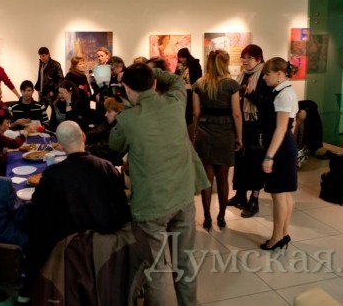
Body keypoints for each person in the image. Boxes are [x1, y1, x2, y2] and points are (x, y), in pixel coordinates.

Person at [109, 63, 209, 306]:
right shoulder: (175, 102)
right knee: (184, 261)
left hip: (151, 205)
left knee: (153, 269)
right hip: (183, 196)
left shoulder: (128, 119)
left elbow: (114, 145)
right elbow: (176, 81)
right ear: (154, 83)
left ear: (126, 88)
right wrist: (152, 72)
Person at [28, 121, 131, 289]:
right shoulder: (105, 166)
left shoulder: (51, 175)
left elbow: (38, 210)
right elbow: (121, 208)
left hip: (67, 245)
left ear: (61, 146)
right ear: (83, 136)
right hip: (105, 241)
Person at [190, 49, 242, 231]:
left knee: (207, 178)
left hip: (205, 132)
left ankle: (207, 217)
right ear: (224, 64)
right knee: (223, 178)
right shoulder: (232, 85)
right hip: (225, 132)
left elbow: (196, 113)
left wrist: (195, 134)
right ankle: (221, 216)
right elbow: (236, 114)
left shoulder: (199, 84)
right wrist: (239, 136)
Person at [259, 57, 299, 251]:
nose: (264, 77)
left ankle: (276, 237)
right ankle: (283, 233)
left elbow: (281, 128)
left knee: (279, 195)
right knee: (285, 194)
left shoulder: (283, 95)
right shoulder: (286, 91)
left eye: (267, 74)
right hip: (285, 146)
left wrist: (269, 156)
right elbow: (292, 125)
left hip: (281, 148)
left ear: (279, 74)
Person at [228, 44, 272, 218]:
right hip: (242, 126)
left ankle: (254, 200)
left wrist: (249, 94)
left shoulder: (264, 76)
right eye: (243, 57)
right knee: (240, 161)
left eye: (249, 58)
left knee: (255, 164)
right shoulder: (243, 75)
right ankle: (240, 195)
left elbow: (267, 103)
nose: (245, 61)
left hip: (257, 127)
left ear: (259, 59)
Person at [85, 97, 126, 166]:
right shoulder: (109, 123)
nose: (106, 114)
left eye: (109, 111)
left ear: (118, 113)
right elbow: (96, 131)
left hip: (112, 165)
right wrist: (82, 137)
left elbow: (104, 147)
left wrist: (82, 148)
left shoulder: (121, 130)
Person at [175, 47, 203, 125]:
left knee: (190, 110)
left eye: (183, 57)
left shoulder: (195, 64)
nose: (181, 59)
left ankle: (191, 126)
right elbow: (176, 78)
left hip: (191, 90)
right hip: (181, 91)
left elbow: (198, 77)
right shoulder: (180, 66)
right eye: (180, 57)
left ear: (187, 57)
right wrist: (177, 69)